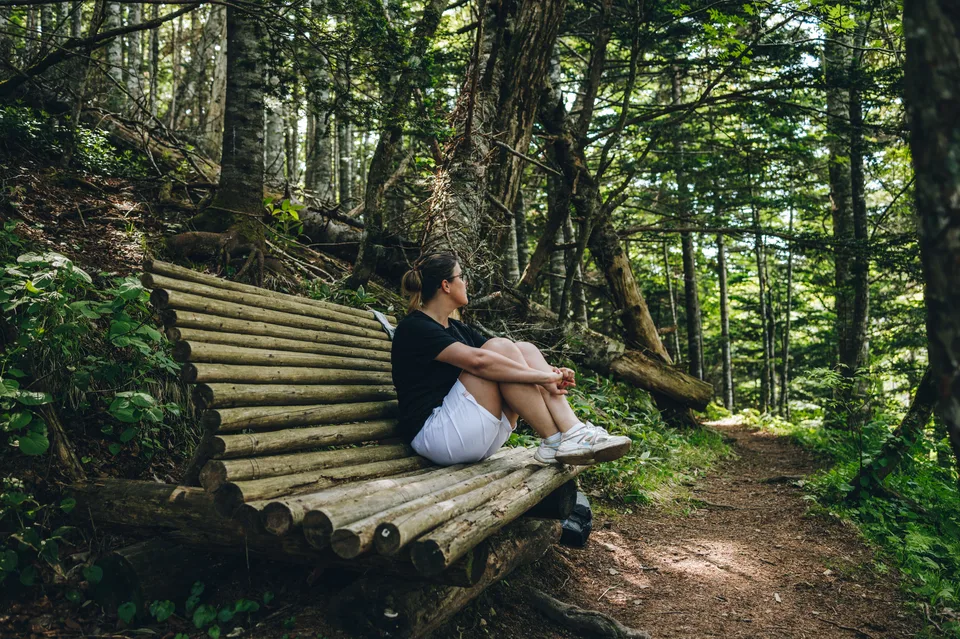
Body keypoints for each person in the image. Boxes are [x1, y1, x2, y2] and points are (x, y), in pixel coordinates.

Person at [391, 251, 632, 466]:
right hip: (437, 436)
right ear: (446, 285)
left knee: (523, 349)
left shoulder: (455, 328)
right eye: (461, 277)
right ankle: (557, 438)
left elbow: (510, 361)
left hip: (470, 431)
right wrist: (545, 377)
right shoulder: (415, 327)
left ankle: (570, 432)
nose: (465, 283)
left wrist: (552, 372)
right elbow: (480, 362)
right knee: (500, 349)